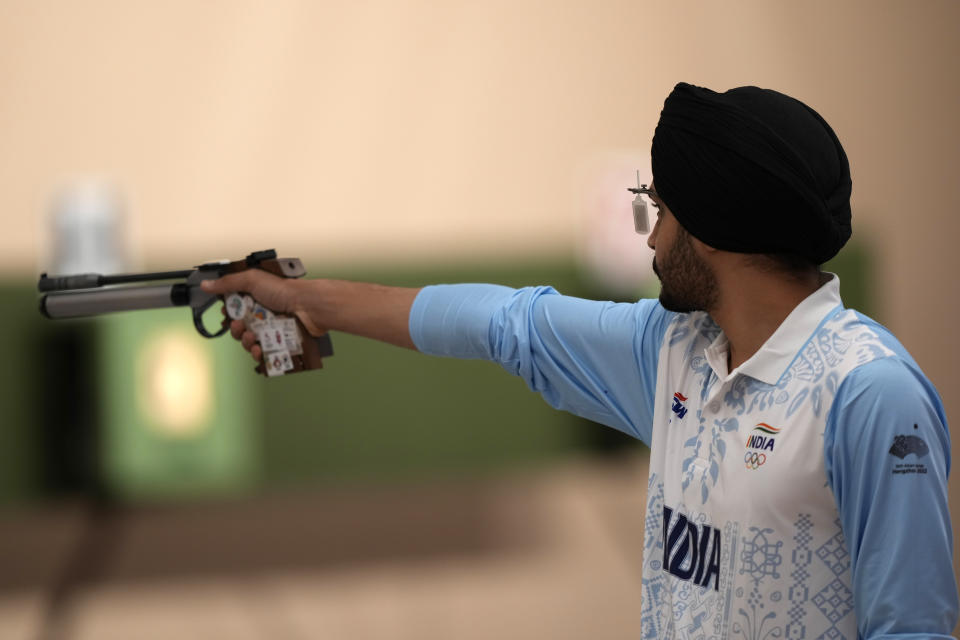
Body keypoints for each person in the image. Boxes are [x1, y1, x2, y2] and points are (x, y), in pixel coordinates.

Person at [202, 83, 958, 638]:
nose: (652, 237)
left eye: (661, 211)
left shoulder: (869, 394)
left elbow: (914, 628)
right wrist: (305, 302)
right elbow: (502, 322)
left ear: (719, 231)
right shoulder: (674, 352)